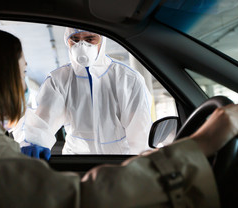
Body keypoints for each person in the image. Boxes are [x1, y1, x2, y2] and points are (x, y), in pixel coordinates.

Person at [0, 27, 238, 207]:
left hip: (119, 157)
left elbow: (136, 137)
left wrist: (142, 159)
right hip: (83, 157)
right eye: (21, 75)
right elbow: (73, 193)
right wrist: (200, 144)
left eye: (89, 38)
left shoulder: (126, 78)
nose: (22, 88)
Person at [13, 28, 153, 155]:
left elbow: (140, 133)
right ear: (67, 41)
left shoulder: (127, 79)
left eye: (89, 39)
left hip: (118, 161)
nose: (81, 46)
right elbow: (43, 121)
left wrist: (138, 164)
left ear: (101, 41)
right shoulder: (59, 80)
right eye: (75, 40)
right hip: (77, 161)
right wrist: (32, 143)